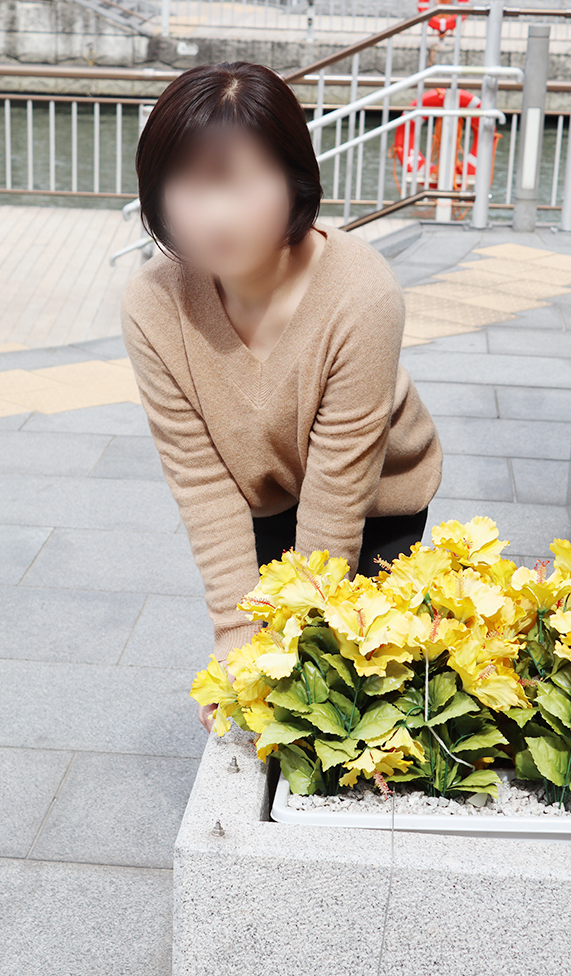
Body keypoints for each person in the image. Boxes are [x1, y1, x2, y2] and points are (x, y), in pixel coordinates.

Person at [120, 60, 443, 734]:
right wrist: (237, 640)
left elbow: (339, 490)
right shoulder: (152, 304)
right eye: (189, 184)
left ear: (294, 181)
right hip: (261, 496)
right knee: (269, 691)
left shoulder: (361, 293)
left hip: (376, 498)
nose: (216, 214)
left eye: (242, 182)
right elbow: (200, 480)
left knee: (369, 694)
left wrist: (298, 643)